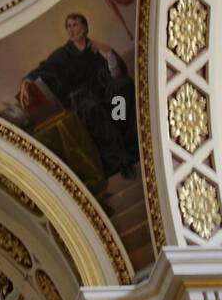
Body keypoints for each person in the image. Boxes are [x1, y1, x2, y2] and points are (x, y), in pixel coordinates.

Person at [18, 13, 138, 179]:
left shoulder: (95, 49)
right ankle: (119, 159)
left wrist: (108, 53)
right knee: (93, 108)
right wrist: (26, 81)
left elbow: (115, 74)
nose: (71, 29)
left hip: (104, 96)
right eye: (68, 26)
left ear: (85, 28)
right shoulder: (62, 54)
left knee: (122, 88)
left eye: (75, 25)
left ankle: (129, 143)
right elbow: (44, 69)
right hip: (82, 101)